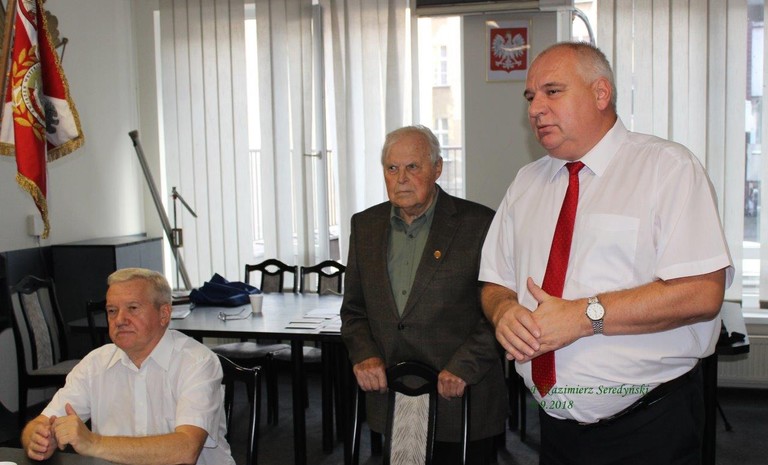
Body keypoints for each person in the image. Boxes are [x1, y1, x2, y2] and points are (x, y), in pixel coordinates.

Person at [479, 41, 734, 465]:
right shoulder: (526, 183)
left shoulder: (668, 169)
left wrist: (584, 316)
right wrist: (503, 310)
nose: (535, 109)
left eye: (552, 92)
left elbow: (702, 293)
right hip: (555, 428)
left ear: (601, 93)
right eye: (530, 97)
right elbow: (494, 281)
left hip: (648, 428)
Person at [340, 125, 507, 464]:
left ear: (437, 168)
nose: (401, 178)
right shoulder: (365, 226)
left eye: (412, 167)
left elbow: (499, 312)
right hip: (393, 395)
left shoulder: (479, 224)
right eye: (392, 168)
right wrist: (364, 354)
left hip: (461, 397)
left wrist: (464, 366)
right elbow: (354, 310)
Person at [21, 268, 235, 465]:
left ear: (164, 314)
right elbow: (39, 424)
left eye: (133, 308)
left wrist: (93, 442)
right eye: (112, 310)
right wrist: (37, 438)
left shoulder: (197, 362)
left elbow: (186, 449)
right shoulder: (94, 364)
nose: (120, 319)